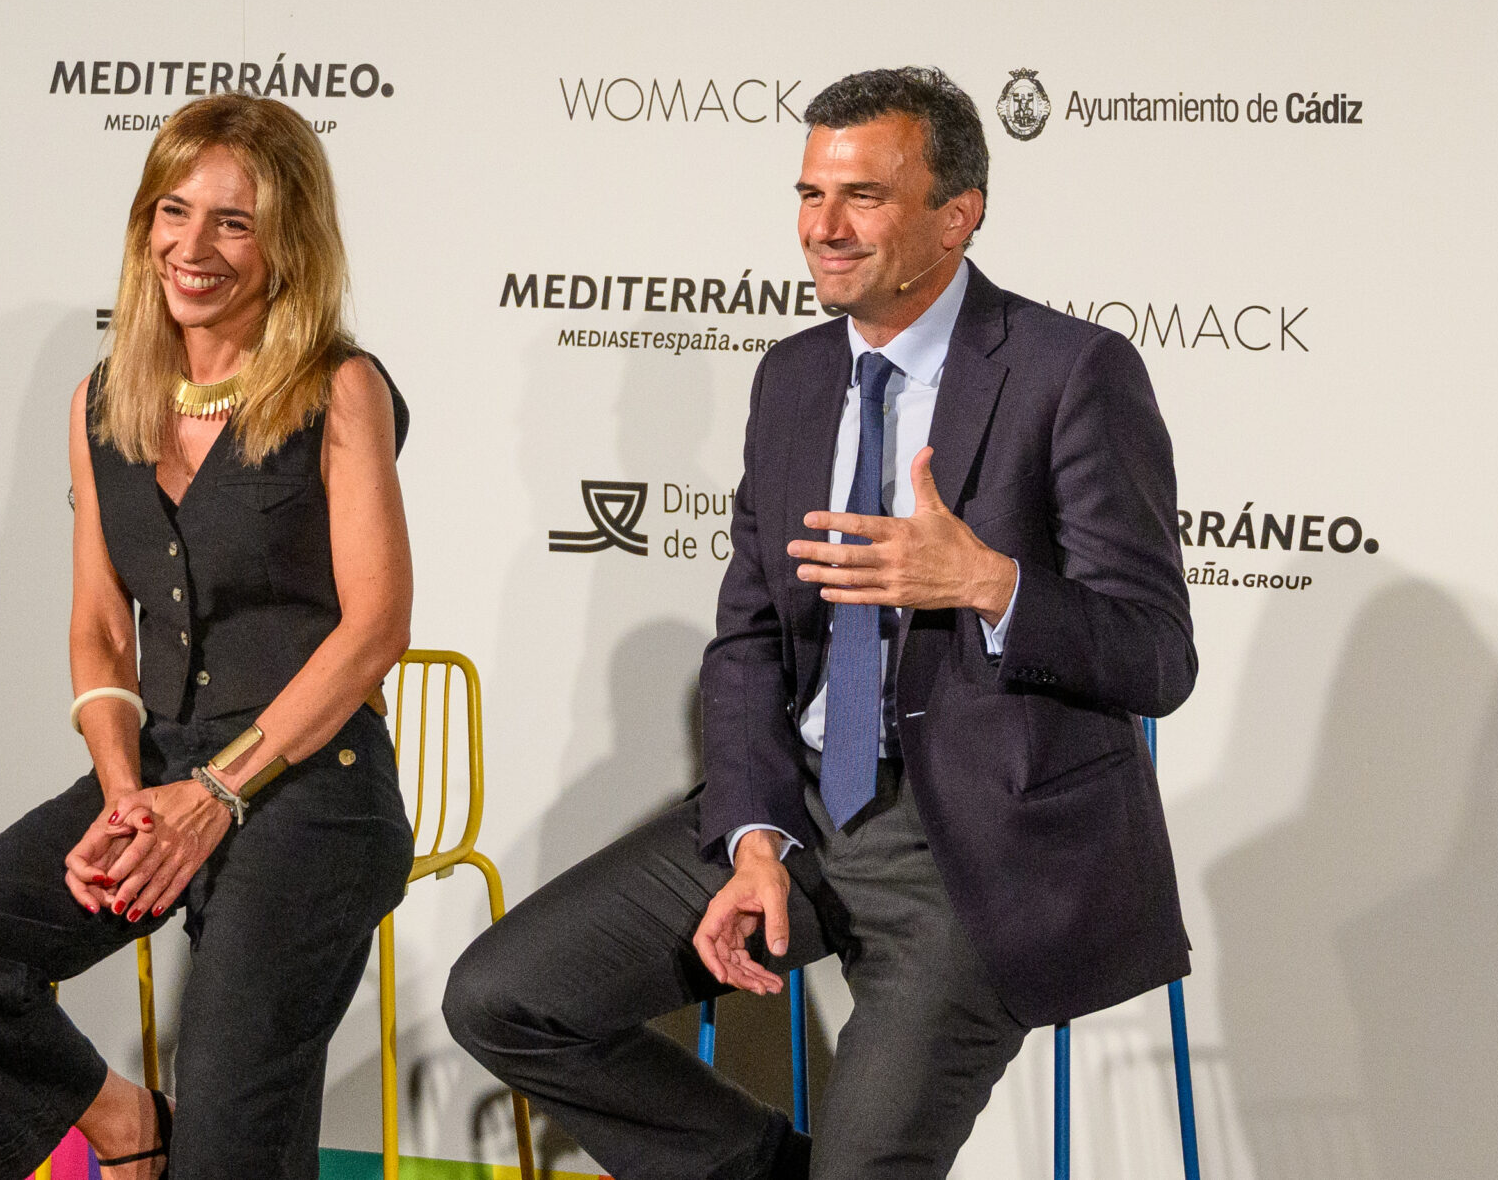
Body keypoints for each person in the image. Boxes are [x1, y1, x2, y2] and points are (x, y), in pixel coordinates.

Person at [445, 68, 1197, 1180]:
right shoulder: (794, 376)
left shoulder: (1070, 372)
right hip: (798, 808)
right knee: (504, 998)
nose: (822, 228)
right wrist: (754, 834)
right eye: (809, 193)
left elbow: (1155, 653)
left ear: (957, 214)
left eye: (863, 197)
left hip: (972, 851)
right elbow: (750, 641)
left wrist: (988, 580)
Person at [0, 94, 416, 1180]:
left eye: (233, 221)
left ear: (287, 243)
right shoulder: (101, 400)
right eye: (174, 211)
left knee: (231, 1122)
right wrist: (126, 791)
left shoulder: (338, 387)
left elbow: (376, 629)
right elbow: (98, 626)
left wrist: (215, 794)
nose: (193, 245)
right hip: (161, 769)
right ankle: (129, 1123)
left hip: (314, 782)